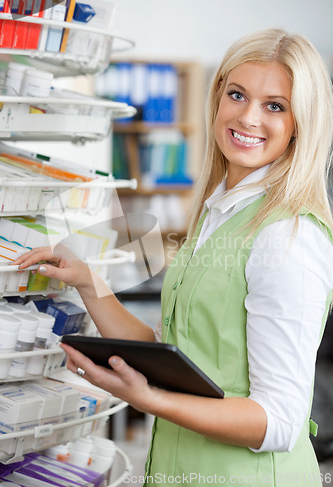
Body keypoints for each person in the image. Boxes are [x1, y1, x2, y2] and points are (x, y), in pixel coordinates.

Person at [14, 27, 333, 485]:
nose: (247, 118)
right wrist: (89, 284)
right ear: (217, 96)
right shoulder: (219, 212)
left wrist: (148, 400)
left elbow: (278, 421)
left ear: (302, 121)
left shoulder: (290, 236)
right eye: (237, 94)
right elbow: (173, 358)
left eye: (275, 106)